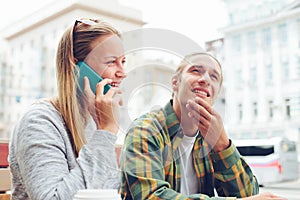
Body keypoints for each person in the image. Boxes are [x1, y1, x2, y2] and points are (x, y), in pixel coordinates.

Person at [120, 52, 286, 200]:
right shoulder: (146, 130)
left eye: (214, 77)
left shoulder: (210, 140)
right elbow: (151, 196)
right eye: (196, 71)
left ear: (215, 93)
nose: (205, 79)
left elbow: (248, 195)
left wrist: (222, 145)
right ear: (175, 83)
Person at [8, 18, 126, 199]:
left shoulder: (95, 123)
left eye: (123, 62)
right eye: (111, 62)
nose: (122, 72)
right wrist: (106, 132)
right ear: (76, 65)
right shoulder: (39, 121)